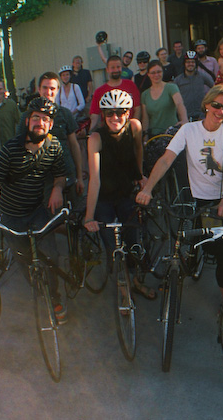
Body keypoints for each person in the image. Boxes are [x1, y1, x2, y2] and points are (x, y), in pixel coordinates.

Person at [139, 85, 223, 296]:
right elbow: (167, 159)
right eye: (216, 105)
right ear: (207, 104)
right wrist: (148, 188)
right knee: (202, 243)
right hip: (203, 199)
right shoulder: (189, 130)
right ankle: (196, 261)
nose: (220, 111)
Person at [0, 98, 69, 323]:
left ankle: (53, 296)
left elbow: (60, 176)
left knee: (51, 255)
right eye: (35, 118)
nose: (39, 123)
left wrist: (57, 189)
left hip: (36, 210)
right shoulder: (11, 148)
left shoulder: (54, 146)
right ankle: (38, 288)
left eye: (45, 119)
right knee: (24, 259)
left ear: (50, 125)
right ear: (27, 121)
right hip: (11, 215)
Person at [83, 90, 153, 298]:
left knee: (134, 242)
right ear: (103, 116)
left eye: (121, 112)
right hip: (104, 197)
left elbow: (139, 150)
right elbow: (94, 180)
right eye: (110, 113)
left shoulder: (134, 127)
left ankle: (136, 282)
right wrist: (88, 216)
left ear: (128, 112)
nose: (115, 117)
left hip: (125, 193)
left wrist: (140, 176)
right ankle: (124, 291)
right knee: (113, 247)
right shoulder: (96, 138)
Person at [90, 55, 141, 131]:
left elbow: (137, 109)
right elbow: (94, 116)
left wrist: (132, 128)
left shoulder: (130, 85)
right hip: (108, 132)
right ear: (107, 69)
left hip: (128, 130)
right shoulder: (99, 91)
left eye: (118, 67)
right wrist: (90, 131)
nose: (116, 70)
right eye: (112, 68)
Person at [141, 60, 188, 137]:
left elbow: (179, 104)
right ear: (148, 74)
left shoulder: (171, 88)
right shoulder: (145, 94)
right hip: (154, 135)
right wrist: (145, 136)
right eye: (153, 73)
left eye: (159, 72)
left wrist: (184, 120)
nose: (156, 75)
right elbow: (145, 118)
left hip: (171, 134)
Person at [174, 50, 215, 121]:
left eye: (193, 62)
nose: (190, 64)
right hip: (185, 117)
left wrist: (209, 101)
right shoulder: (178, 80)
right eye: (188, 62)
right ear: (184, 63)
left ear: (196, 63)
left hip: (201, 115)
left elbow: (214, 88)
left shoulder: (202, 76)